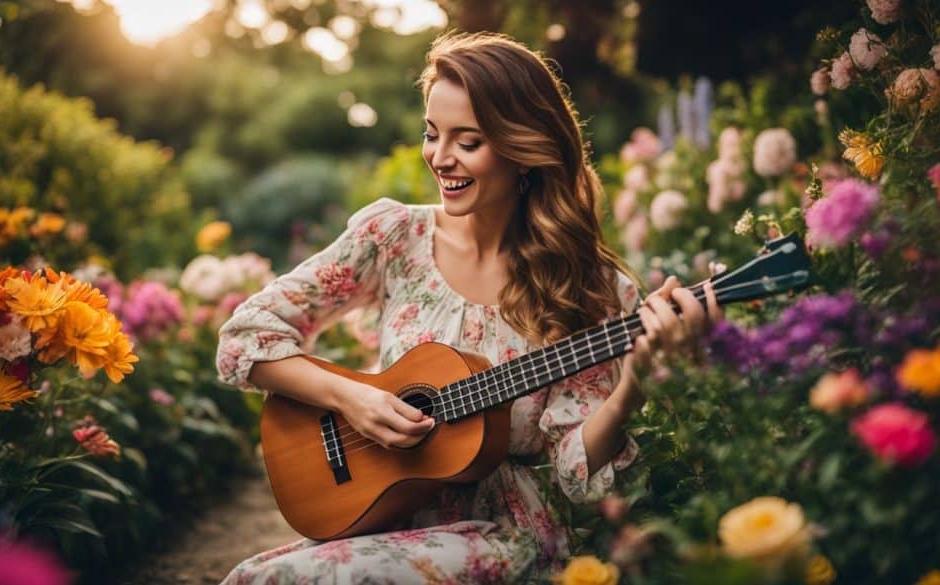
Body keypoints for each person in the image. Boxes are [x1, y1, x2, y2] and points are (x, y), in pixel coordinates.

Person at [215, 31, 721, 584]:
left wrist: (635, 384)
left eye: (468, 141)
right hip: (386, 515)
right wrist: (352, 398)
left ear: (523, 148)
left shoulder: (588, 286)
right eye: (433, 134)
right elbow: (246, 339)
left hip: (505, 534)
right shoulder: (394, 237)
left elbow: (578, 470)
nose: (440, 157)